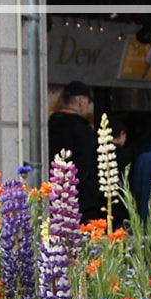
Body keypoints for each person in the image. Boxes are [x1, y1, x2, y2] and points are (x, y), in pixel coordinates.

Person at [48, 80, 103, 221]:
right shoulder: (82, 128)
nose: (87, 105)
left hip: (56, 192)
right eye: (88, 101)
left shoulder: (51, 123)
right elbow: (86, 163)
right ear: (80, 100)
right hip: (81, 196)